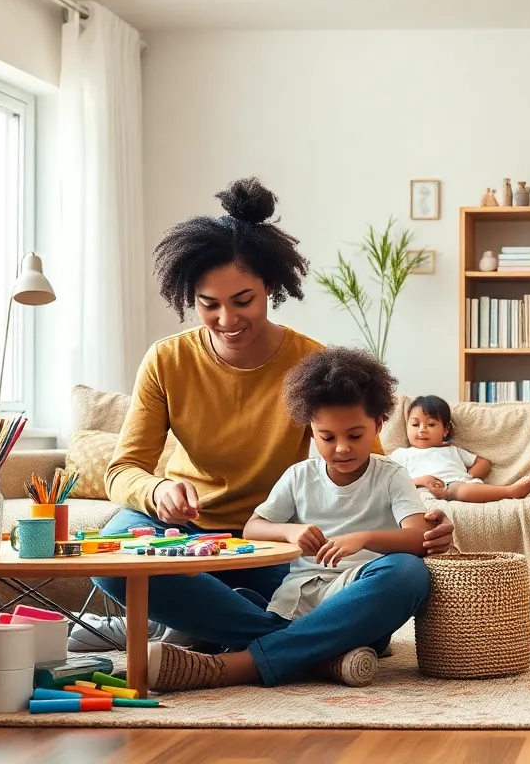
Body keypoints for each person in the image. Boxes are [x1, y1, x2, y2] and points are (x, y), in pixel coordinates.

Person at [93, 176, 454, 651]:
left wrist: (426, 521)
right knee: (110, 554)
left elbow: (365, 462)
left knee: (404, 575)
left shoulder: (311, 363)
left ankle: (216, 629)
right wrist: (156, 489)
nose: (227, 320)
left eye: (243, 300)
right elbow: (123, 471)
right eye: (209, 305)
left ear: (270, 287)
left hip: (281, 545)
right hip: (186, 539)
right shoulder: (167, 360)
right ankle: (298, 645)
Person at [143, 347, 434, 691]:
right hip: (295, 602)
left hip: (356, 599)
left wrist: (364, 538)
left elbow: (417, 538)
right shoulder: (299, 476)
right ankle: (325, 655)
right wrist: (290, 532)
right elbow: (253, 527)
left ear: (378, 424)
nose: (341, 448)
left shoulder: (391, 475)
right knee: (239, 596)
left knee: (409, 573)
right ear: (310, 429)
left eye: (355, 435)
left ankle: (237, 664)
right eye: (327, 437)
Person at [388, 395, 530, 503]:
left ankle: (510, 491)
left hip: (455, 485)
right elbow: (389, 480)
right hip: (423, 490)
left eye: (431, 424)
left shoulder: (452, 450)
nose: (422, 430)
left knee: (461, 489)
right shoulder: (403, 454)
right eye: (415, 425)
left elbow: (483, 463)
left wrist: (469, 476)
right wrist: (420, 481)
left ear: (445, 430)